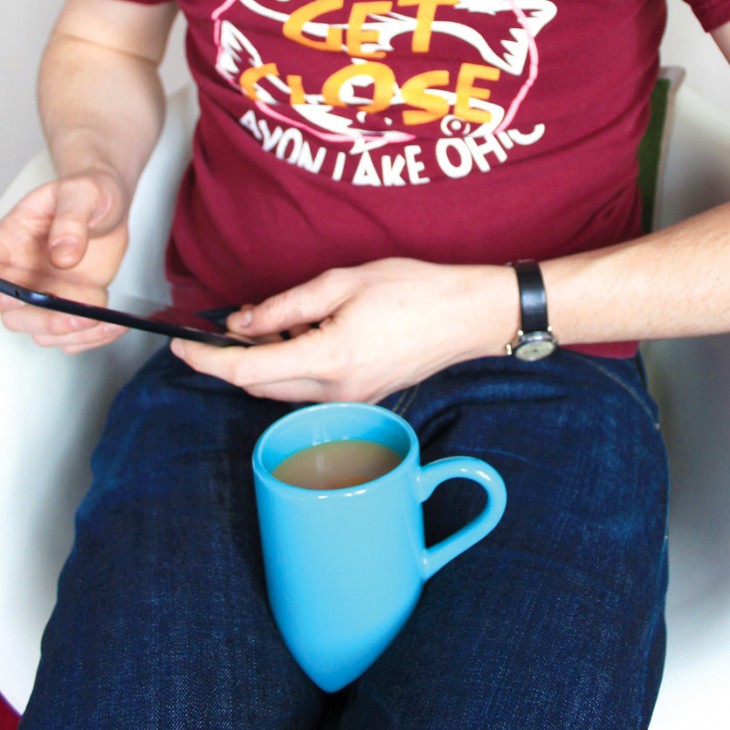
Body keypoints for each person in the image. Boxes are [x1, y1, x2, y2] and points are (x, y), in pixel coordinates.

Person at [1, 0, 729, 726]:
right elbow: (104, 40)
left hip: (544, 362)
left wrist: (497, 307)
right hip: (236, 360)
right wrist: (98, 173)